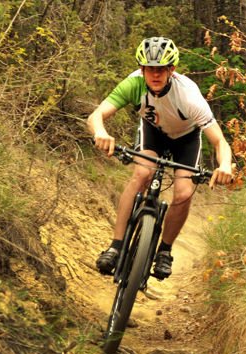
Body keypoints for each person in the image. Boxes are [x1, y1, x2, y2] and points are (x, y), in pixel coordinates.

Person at [87, 36, 233, 279]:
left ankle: (164, 250)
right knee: (142, 173)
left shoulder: (188, 96)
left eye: (160, 70)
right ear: (142, 69)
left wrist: (225, 164)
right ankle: (116, 246)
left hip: (186, 138)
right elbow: (96, 116)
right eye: (149, 69)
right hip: (153, 132)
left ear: (171, 70)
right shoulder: (133, 84)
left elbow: (219, 141)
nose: (155, 75)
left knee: (184, 192)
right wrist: (101, 132)